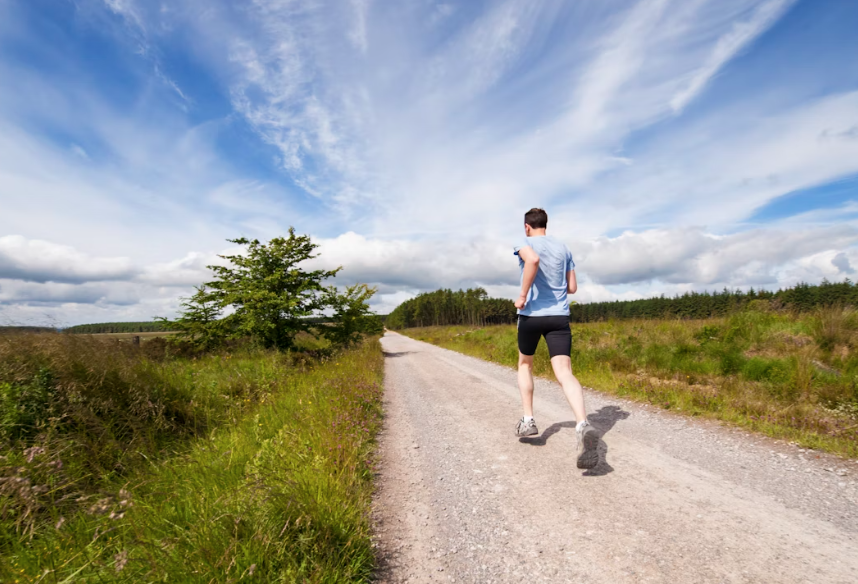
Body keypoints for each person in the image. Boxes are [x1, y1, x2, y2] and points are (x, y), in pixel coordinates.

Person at [513, 208, 598, 469]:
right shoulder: (563, 247)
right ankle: (583, 423)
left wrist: (523, 295)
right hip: (559, 316)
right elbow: (572, 287)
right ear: (545, 225)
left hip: (531, 316)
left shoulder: (524, 243)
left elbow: (533, 260)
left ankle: (528, 421)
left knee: (525, 364)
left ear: (527, 227)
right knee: (564, 372)